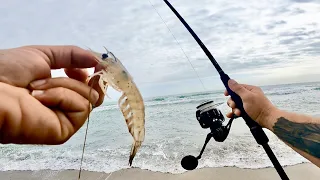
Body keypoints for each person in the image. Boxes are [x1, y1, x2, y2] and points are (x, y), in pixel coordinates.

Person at [0, 45, 319, 168]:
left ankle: (135, 145)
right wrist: (265, 114)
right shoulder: (108, 73)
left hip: (130, 99)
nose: (102, 61)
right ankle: (134, 145)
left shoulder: (112, 77)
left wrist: (266, 115)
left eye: (105, 60)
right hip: (128, 98)